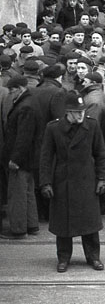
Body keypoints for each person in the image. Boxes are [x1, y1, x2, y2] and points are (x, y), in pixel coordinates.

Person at [39, 91, 105, 272]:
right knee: (63, 224)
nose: (80, 115)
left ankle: (93, 257)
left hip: (87, 181)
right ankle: (63, 258)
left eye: (82, 111)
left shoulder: (92, 126)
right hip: (63, 182)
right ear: (68, 112)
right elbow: (46, 157)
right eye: (77, 112)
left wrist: (102, 178)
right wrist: (45, 182)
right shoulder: (53, 128)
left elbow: (100, 154)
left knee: (90, 223)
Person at [0, 77, 41, 239]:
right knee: (28, 192)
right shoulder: (29, 102)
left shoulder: (25, 106)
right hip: (29, 158)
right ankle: (31, 225)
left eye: (12, 90)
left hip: (21, 158)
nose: (10, 94)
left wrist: (15, 159)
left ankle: (18, 229)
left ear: (20, 88)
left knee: (17, 194)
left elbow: (24, 136)